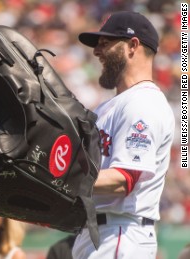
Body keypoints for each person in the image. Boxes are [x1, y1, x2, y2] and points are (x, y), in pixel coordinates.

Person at [72, 11, 175, 258]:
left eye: (105, 43)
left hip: (119, 233)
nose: (97, 51)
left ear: (133, 46)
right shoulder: (112, 105)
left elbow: (124, 179)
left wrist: (60, 179)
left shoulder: (143, 102)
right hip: (100, 232)